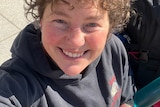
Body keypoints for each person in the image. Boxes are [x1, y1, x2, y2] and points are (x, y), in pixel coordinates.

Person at [0, 0, 135, 107]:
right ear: (41, 20)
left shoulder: (113, 50)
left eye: (92, 24)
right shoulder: (15, 85)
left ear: (110, 28)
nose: (76, 42)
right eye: (60, 21)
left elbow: (127, 96)